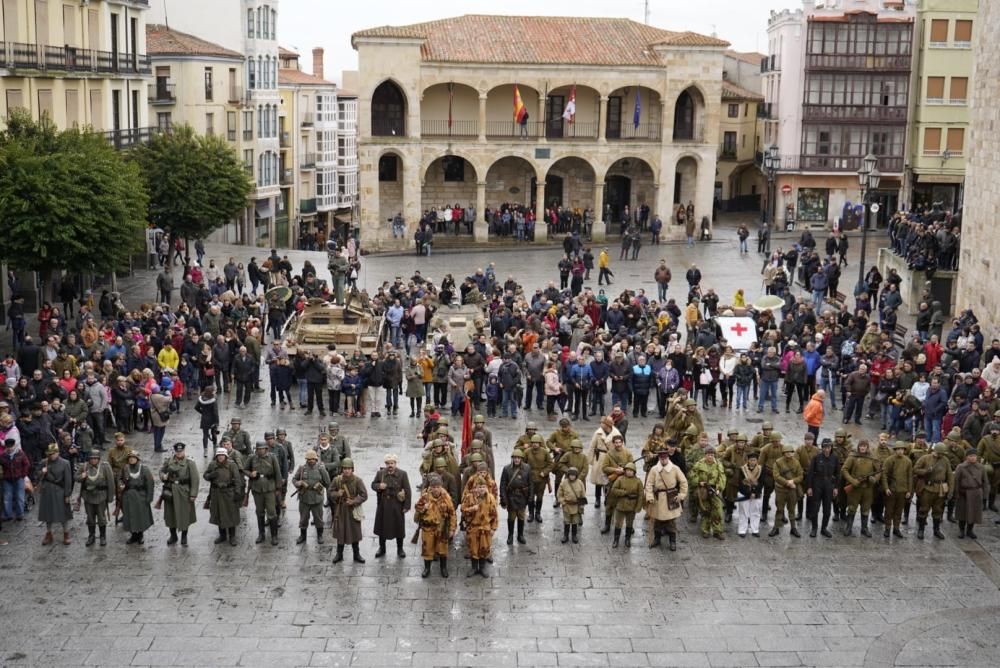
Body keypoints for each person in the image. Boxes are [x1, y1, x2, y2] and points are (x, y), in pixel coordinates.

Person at [644, 448, 688, 550]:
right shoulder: (654, 469)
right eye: (661, 458)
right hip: (658, 498)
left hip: (671, 497)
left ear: (668, 458)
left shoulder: (675, 468)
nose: (663, 460)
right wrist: (649, 496)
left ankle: (673, 541)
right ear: (659, 458)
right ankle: (657, 539)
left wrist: (681, 495)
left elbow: (683, 482)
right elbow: (649, 484)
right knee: (657, 521)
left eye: (665, 458)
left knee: (671, 521)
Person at [414, 473, 457, 578]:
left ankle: (443, 568)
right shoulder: (425, 497)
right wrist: (424, 507)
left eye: (438, 487)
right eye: (434, 487)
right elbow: (417, 508)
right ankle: (427, 568)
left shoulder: (446, 497)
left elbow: (452, 514)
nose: (436, 489)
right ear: (430, 487)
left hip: (441, 528)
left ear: (441, 487)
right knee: (427, 549)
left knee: (443, 549)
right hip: (427, 528)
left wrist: (452, 529)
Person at [371, 453, 412, 559]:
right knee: (382, 527)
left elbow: (407, 490)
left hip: (397, 504)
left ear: (395, 463)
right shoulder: (380, 473)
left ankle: (400, 548)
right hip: (384, 505)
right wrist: (379, 486)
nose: (390, 465)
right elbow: (373, 485)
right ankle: (382, 548)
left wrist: (406, 506)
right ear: (385, 464)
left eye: (392, 463)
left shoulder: (403, 474)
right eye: (388, 463)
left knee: (399, 527)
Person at [159, 442, 199, 547]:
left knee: (185, 514)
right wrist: (163, 476)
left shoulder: (190, 462)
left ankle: (184, 536)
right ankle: (173, 536)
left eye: (181, 451)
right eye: (177, 451)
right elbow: (161, 471)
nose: (179, 453)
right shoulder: (169, 461)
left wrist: (193, 494)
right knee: (170, 514)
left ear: (184, 451)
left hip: (184, 490)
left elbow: (195, 479)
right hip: (170, 491)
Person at [329, 457, 367, 564]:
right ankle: (339, 554)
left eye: (349, 468)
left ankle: (356, 554)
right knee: (340, 532)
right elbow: (330, 492)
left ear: (352, 469)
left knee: (354, 531)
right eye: (345, 468)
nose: (346, 470)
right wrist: (337, 494)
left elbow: (364, 495)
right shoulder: (337, 480)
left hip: (352, 510)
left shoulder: (357, 480)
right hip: (341, 510)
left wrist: (354, 501)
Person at [461, 472, 498, 576]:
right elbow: (463, 510)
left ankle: (482, 568)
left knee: (484, 549)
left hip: (485, 529)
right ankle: (474, 568)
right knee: (473, 549)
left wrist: (493, 528)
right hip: (473, 528)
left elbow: (494, 515)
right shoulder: (469, 497)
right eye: (478, 486)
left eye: (483, 486)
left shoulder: (490, 498)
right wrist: (472, 509)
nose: (481, 489)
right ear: (475, 487)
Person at [203, 447, 242, 546]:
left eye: (222, 455)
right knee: (219, 514)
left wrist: (238, 493)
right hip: (216, 493)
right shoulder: (213, 464)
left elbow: (237, 480)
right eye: (219, 455)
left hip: (228, 492)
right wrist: (210, 475)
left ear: (225, 456)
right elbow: (205, 475)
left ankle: (232, 536)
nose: (220, 457)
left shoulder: (232, 465)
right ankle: (222, 535)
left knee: (231, 514)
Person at [913, 442, 953, 540]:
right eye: (940, 453)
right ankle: (921, 530)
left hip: (940, 489)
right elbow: (915, 469)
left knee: (938, 510)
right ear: (935, 451)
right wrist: (926, 471)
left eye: (942, 454)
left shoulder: (945, 460)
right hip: (927, 488)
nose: (941, 455)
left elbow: (950, 476)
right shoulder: (925, 458)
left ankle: (936, 530)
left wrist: (950, 490)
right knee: (924, 509)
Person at [841, 440, 880, 537]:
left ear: (867, 447)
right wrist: (852, 480)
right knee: (851, 508)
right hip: (855, 488)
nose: (862, 448)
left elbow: (879, 471)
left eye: (864, 446)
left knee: (866, 509)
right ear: (858, 447)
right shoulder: (853, 456)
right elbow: (844, 469)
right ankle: (848, 527)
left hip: (867, 489)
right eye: (861, 446)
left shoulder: (872, 458)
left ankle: (864, 528)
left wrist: (874, 479)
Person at [75, 449, 114, 547]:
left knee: (101, 517)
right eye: (91, 458)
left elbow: (111, 482)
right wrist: (81, 476)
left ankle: (102, 536)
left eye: (95, 458)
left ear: (99, 459)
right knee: (90, 517)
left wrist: (110, 498)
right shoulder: (84, 466)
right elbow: (76, 477)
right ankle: (91, 536)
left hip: (101, 496)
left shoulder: (105, 466)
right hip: (88, 496)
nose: (93, 460)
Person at [37, 443, 74, 546]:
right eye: (50, 454)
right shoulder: (44, 462)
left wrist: (67, 495)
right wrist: (42, 472)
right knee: (47, 514)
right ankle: (49, 533)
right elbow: (37, 476)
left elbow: (68, 480)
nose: (52, 455)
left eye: (53, 453)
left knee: (63, 514)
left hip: (59, 492)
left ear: (58, 453)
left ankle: (66, 533)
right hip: (47, 491)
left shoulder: (65, 463)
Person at [247, 441, 281, 545]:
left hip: (269, 488)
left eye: (262, 449)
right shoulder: (252, 458)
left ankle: (274, 536)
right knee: (259, 512)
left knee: (271, 512)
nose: (260, 451)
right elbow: (244, 469)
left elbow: (277, 473)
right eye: (258, 449)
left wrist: (278, 488)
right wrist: (250, 474)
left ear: (266, 449)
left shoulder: (272, 457)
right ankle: (261, 534)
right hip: (257, 489)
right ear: (256, 450)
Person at [293, 449, 330, 545]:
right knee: (303, 518)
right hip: (304, 497)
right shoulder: (302, 468)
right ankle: (303, 536)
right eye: (308, 459)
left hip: (317, 497)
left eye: (313, 459)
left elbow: (327, 482)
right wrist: (298, 483)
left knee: (318, 518)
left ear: (316, 459)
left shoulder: (321, 468)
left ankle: (320, 535)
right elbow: (294, 479)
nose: (311, 461)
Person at [689, 445, 726, 539]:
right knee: (705, 510)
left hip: (714, 490)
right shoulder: (699, 464)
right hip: (703, 490)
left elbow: (722, 477)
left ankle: (717, 531)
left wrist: (719, 488)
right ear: (705, 455)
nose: (710, 456)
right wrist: (698, 482)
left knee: (718, 511)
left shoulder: (718, 464)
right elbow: (691, 475)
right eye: (708, 454)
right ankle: (705, 530)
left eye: (712, 455)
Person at [806, 439, 840, 538]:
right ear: (822, 448)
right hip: (817, 484)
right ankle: (814, 528)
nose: (826, 449)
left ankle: (824, 528)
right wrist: (809, 487)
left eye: (828, 447)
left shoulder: (835, 458)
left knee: (827, 509)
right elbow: (810, 473)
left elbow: (838, 474)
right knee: (815, 508)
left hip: (829, 485)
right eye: (825, 447)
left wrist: (836, 487)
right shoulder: (816, 458)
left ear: (831, 448)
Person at [120, 450, 155, 545]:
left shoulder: (144, 469)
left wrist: (149, 498)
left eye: (133, 458)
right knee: (130, 515)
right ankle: (133, 535)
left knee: (140, 516)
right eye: (130, 458)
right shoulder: (125, 468)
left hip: (140, 496)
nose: (131, 459)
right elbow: (119, 479)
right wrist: (121, 485)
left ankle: (140, 535)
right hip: (128, 496)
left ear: (137, 459)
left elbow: (150, 484)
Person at [769, 444, 803, 538]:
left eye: (791, 452)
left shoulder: (796, 462)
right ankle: (776, 527)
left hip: (792, 489)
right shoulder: (778, 462)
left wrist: (793, 481)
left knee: (791, 509)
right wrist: (787, 483)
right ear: (783, 453)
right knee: (779, 509)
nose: (789, 454)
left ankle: (793, 528)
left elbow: (800, 476)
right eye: (787, 452)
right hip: (781, 489)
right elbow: (776, 476)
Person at [499, 449, 532, 545]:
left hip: (522, 496)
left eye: (518, 458)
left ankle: (520, 535)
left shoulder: (527, 468)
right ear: (512, 459)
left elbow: (531, 484)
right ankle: (510, 535)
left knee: (521, 517)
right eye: (515, 458)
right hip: (511, 497)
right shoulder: (506, 469)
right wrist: (503, 498)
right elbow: (502, 484)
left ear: (521, 459)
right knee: (511, 517)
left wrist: (530, 498)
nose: (517, 460)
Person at [954, 448, 988, 539]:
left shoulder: (981, 467)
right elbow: (956, 481)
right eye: (970, 456)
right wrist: (956, 493)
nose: (973, 458)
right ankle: (961, 530)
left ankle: (970, 530)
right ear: (966, 457)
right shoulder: (961, 467)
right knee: (962, 513)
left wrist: (985, 495)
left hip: (976, 493)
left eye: (974, 456)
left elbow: (985, 482)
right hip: (964, 493)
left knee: (974, 513)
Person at [881, 441, 913, 539]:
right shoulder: (889, 460)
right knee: (889, 510)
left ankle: (896, 528)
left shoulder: (908, 461)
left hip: (902, 490)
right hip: (892, 490)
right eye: (898, 449)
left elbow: (910, 477)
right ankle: (887, 528)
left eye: (902, 449)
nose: (900, 451)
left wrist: (909, 490)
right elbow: (884, 475)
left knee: (899, 511)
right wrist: (886, 488)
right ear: (895, 450)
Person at [608, 461, 644, 547]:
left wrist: (638, 507)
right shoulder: (620, 479)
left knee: (629, 523)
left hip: (632, 506)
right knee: (618, 523)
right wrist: (623, 492)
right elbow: (613, 490)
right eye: (627, 470)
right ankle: (616, 539)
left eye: (631, 470)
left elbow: (641, 495)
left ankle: (627, 539)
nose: (629, 472)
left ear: (634, 472)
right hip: (621, 505)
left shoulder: (638, 482)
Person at [735, 451, 764, 538]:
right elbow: (740, 483)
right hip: (744, 493)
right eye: (751, 460)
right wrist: (749, 493)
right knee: (743, 512)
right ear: (748, 460)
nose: (753, 462)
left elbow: (761, 483)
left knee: (755, 512)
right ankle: (742, 530)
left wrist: (755, 492)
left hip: (756, 494)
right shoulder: (742, 469)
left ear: (757, 460)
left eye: (754, 460)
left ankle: (755, 529)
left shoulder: (761, 469)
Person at [2, 438, 30, 523]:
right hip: (7, 479)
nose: (10, 448)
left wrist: (23, 475)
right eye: (8, 447)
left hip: (19, 478)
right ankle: (8, 515)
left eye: (11, 446)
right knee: (7, 497)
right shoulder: (3, 456)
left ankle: (19, 515)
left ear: (14, 445)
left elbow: (26, 464)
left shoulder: (20, 454)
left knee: (19, 497)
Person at [556, 466, 586, 544]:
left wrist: (581, 505)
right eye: (570, 475)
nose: (572, 476)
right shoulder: (564, 483)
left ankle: (574, 535)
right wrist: (563, 502)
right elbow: (559, 494)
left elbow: (583, 495)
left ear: (576, 475)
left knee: (575, 521)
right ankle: (565, 535)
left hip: (576, 506)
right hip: (567, 506)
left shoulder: (580, 483)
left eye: (574, 475)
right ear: (568, 475)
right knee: (566, 521)